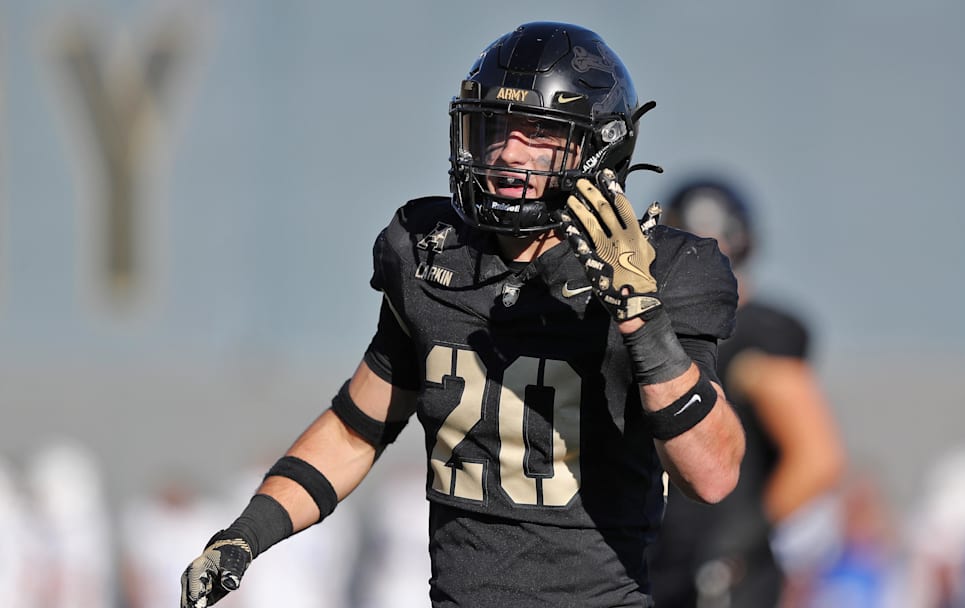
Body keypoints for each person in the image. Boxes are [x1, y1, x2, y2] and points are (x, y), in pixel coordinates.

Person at [181, 21, 745, 608]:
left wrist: (641, 316)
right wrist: (244, 537)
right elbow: (355, 430)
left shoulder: (670, 269)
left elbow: (712, 474)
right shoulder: (428, 253)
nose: (508, 154)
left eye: (540, 133)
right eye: (496, 128)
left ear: (597, 147)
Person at [648, 175, 846, 608]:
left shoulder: (759, 336)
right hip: (662, 557)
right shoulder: (655, 329)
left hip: (723, 573)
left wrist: (743, 534)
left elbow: (818, 457)